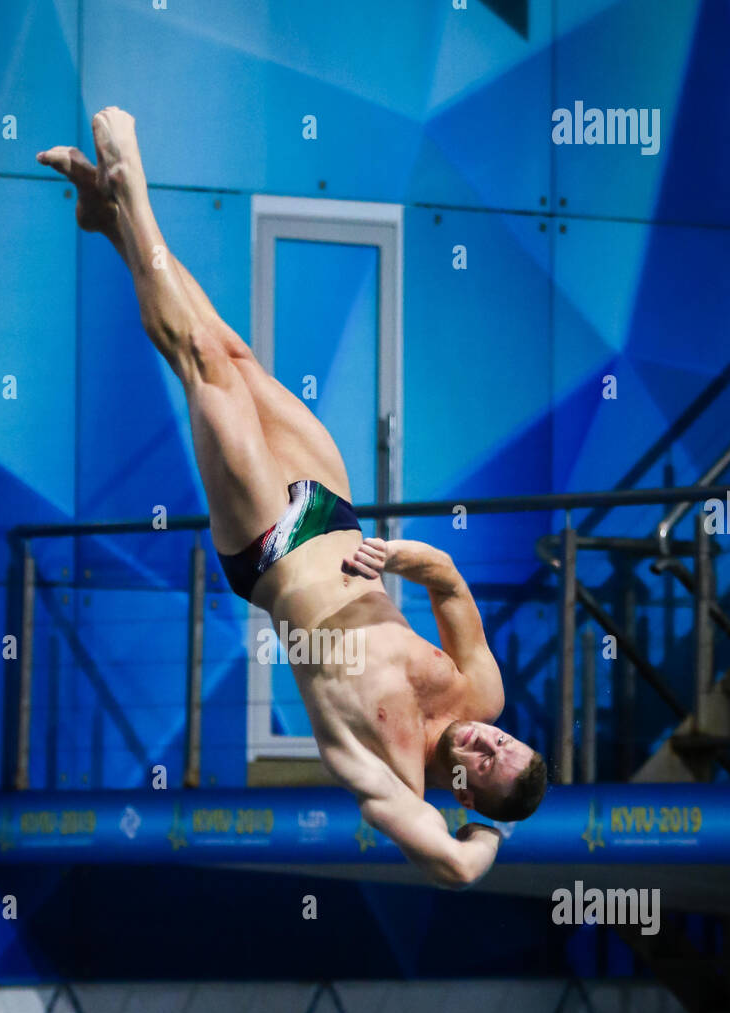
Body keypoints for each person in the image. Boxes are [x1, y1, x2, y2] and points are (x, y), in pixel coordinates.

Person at [37, 107, 547, 887]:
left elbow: (456, 867)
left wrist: (490, 836)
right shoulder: (482, 691)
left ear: (465, 791)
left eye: (488, 761)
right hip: (333, 513)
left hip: (269, 549)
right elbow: (445, 577)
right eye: (505, 743)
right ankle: (106, 220)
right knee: (230, 350)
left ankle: (130, 192)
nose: (488, 741)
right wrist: (404, 557)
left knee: (202, 363)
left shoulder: (393, 775)